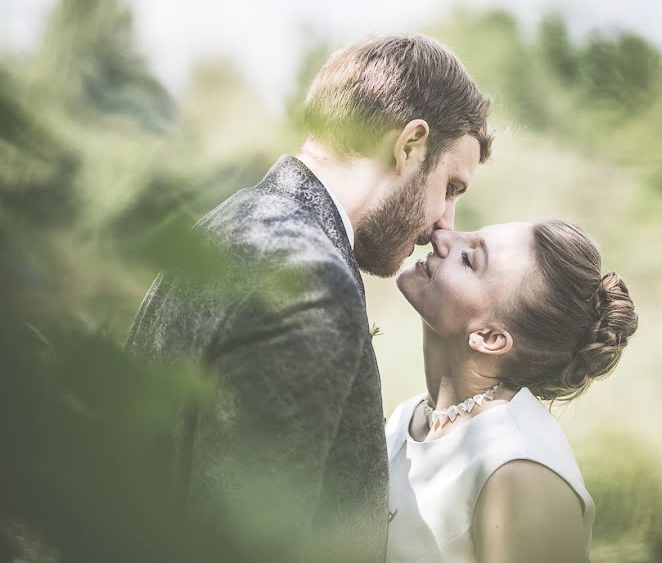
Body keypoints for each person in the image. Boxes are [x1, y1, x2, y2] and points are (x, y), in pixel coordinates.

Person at [125, 34, 492, 562]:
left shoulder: (228, 224)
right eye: (451, 187)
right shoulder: (310, 281)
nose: (444, 226)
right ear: (410, 146)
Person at [386, 220, 638, 562]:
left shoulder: (520, 470)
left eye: (469, 260)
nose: (441, 237)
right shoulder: (408, 417)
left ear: (490, 339)